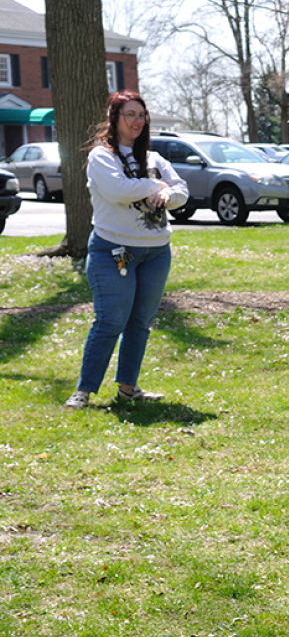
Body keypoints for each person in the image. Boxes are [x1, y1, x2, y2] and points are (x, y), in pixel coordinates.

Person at [64, 91, 189, 410]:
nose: (137, 120)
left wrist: (167, 195)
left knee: (140, 321)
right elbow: (117, 190)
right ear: (114, 119)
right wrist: (155, 187)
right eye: (130, 114)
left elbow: (182, 191)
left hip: (156, 252)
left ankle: (128, 388)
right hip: (115, 250)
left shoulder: (154, 158)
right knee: (110, 320)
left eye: (141, 115)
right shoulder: (101, 156)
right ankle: (84, 391)